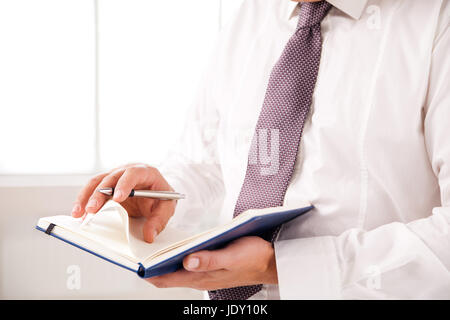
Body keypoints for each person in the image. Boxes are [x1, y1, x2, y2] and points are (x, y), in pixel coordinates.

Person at [71, 0, 450, 299]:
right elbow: (205, 160)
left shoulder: (437, 22)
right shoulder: (251, 15)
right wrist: (163, 195)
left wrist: (279, 267)